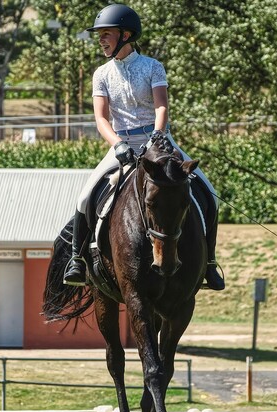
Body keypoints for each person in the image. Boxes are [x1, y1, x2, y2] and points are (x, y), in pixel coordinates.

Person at [62, 3, 225, 291]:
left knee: (208, 192)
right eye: (99, 35)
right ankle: (77, 260)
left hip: (158, 142)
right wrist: (118, 144)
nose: (101, 40)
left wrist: (158, 135)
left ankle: (209, 263)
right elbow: (101, 119)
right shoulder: (101, 74)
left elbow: (161, 106)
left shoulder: (152, 66)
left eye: (106, 34)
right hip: (122, 144)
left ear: (125, 35)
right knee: (85, 196)